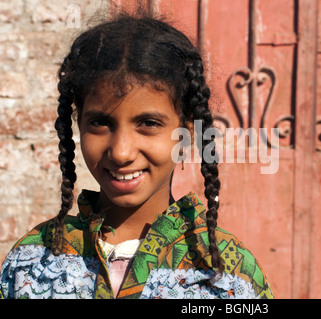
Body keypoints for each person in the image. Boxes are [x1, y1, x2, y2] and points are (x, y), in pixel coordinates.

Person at [0, 13, 274, 299]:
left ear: (187, 130)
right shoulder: (33, 260)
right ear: (78, 122)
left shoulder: (229, 274)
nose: (121, 152)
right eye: (100, 123)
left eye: (149, 124)